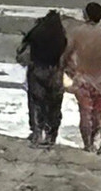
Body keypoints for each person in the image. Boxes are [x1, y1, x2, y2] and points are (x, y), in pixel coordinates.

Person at [63, 2, 101, 152]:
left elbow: (66, 54)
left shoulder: (76, 32)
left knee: (84, 112)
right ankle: (95, 141)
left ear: (85, 14)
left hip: (82, 77)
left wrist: (62, 70)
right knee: (98, 112)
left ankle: (87, 144)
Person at [17, 10, 69, 146]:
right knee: (54, 105)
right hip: (55, 73)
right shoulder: (61, 37)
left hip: (37, 70)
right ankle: (51, 136)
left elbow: (22, 51)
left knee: (36, 103)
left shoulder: (36, 33)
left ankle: (37, 133)